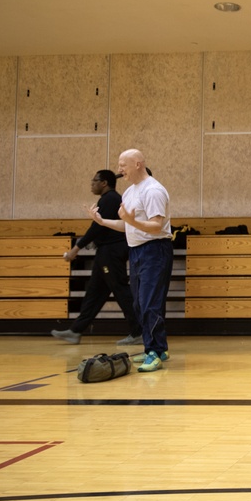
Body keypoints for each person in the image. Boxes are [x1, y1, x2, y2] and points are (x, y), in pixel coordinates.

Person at [88, 149, 173, 373]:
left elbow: (156, 226)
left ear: (137, 164)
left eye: (122, 165)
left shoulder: (153, 190)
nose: (119, 170)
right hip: (136, 252)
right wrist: (103, 221)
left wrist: (130, 221)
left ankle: (153, 352)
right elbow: (127, 224)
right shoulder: (129, 193)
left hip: (155, 251)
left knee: (148, 303)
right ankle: (159, 347)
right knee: (139, 304)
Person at [51, 170, 141, 345]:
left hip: (112, 253)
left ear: (104, 183)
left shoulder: (110, 199)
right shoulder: (109, 199)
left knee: (121, 290)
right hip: (105, 252)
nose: (92, 184)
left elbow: (96, 228)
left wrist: (75, 249)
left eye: (95, 181)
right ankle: (76, 331)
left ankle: (138, 332)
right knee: (95, 293)